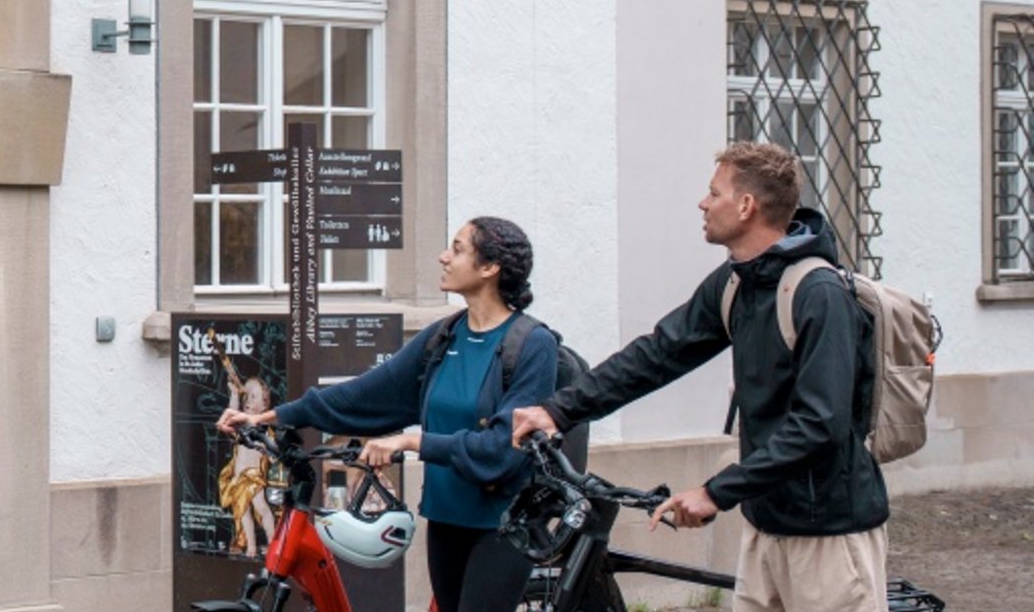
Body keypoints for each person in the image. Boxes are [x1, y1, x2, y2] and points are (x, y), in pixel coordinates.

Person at [511, 142, 886, 612]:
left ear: (746, 206)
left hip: (829, 535)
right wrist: (559, 409)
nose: (702, 203)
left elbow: (820, 425)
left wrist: (715, 492)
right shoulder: (737, 283)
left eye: (714, 193)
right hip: (766, 524)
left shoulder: (819, 294)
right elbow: (658, 354)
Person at [218, 217, 555, 612]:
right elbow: (364, 394)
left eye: (458, 249)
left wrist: (412, 440)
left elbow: (502, 446)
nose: (443, 257)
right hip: (446, 518)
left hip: (503, 524)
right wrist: (271, 417)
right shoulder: (443, 337)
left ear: (489, 268)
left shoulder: (533, 345)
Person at [216, 345, 278, 556]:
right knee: (243, 512)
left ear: (265, 406)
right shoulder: (242, 424)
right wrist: (234, 393)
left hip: (253, 477)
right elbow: (232, 413)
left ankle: (272, 542)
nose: (248, 401)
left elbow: (272, 449)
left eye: (254, 397)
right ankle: (250, 546)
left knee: (261, 507)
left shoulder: (262, 427)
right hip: (239, 476)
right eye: (247, 397)